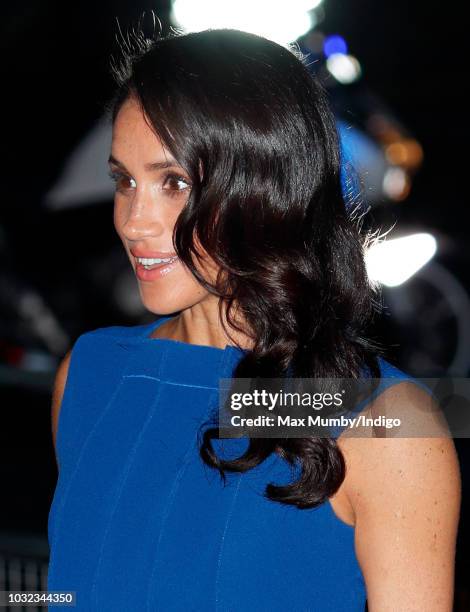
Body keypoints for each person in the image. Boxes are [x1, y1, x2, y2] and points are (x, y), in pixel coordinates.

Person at [47, 25, 461, 611]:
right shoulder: (90, 371)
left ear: (264, 190)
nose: (133, 221)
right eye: (124, 180)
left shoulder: (384, 423)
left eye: (175, 183)